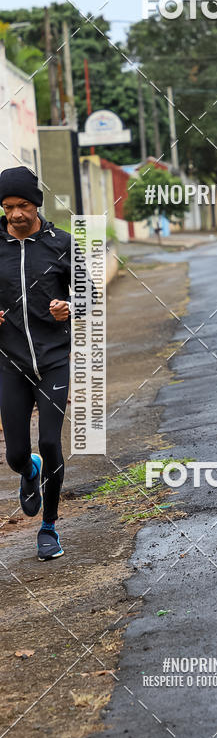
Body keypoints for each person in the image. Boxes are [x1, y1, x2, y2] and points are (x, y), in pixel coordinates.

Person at [0, 166, 72, 560]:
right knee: (14, 454)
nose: (15, 215)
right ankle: (29, 471)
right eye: (8, 207)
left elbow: (92, 295)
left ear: (37, 203)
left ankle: (48, 527)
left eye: (23, 205)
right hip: (9, 363)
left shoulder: (61, 244)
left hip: (53, 360)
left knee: (49, 440)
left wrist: (70, 307)